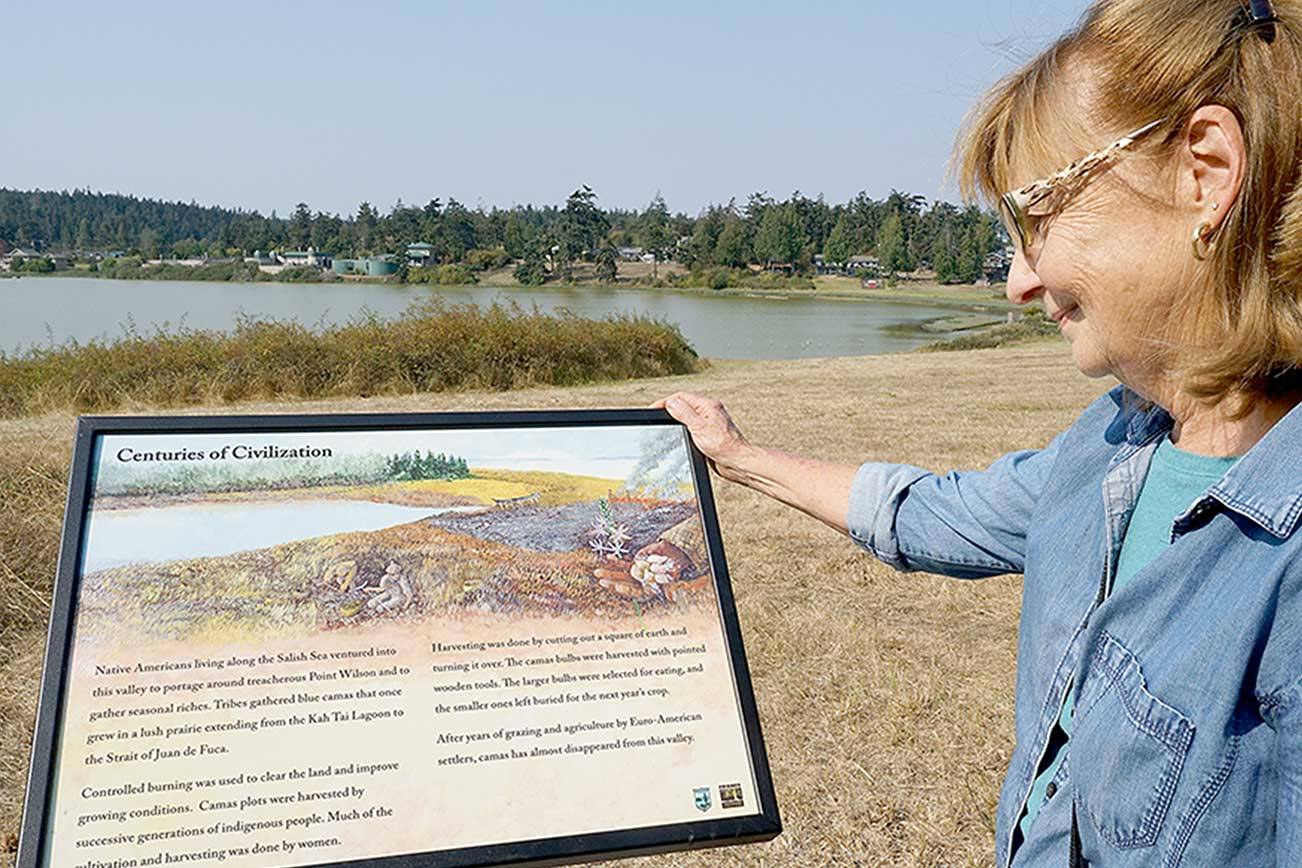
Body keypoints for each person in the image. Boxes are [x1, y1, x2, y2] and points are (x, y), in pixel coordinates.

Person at [654, 1, 1302, 865]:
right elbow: (929, 515)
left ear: (1207, 173)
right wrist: (739, 458)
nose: (1017, 282)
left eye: (1036, 218)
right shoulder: (1110, 447)